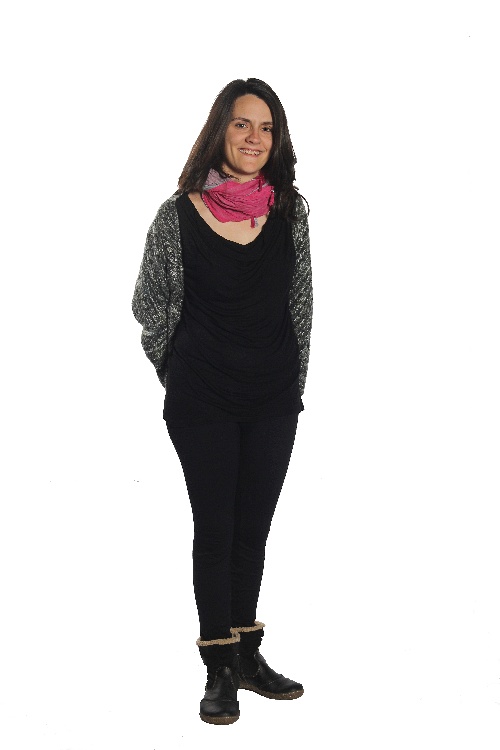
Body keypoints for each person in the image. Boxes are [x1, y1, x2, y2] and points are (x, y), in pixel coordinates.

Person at [132, 78, 313, 725]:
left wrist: (293, 380)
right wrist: (178, 368)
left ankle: (248, 657)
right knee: (216, 530)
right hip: (202, 398)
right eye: (242, 124)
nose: (254, 138)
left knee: (253, 531)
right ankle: (218, 669)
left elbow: (301, 306)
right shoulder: (177, 215)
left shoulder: (290, 212)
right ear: (220, 131)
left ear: (277, 140)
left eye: (266, 128)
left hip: (272, 398)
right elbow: (148, 305)